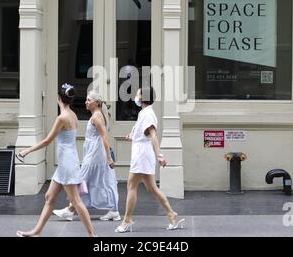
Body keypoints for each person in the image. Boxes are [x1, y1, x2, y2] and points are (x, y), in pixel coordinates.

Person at [16, 84, 97, 237]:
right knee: (49, 197)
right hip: (67, 162)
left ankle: (93, 235)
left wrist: (27, 150)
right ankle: (37, 231)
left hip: (67, 164)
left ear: (58, 99)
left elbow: (47, 141)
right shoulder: (72, 115)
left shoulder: (62, 118)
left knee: (76, 201)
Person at [115, 87, 185, 233]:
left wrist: (160, 156)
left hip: (142, 155)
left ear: (143, 98)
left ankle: (127, 220)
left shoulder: (147, 114)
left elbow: (153, 135)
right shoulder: (145, 113)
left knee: (131, 185)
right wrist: (132, 136)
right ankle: (172, 214)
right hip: (142, 153)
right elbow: (145, 134)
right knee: (152, 188)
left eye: (138, 93)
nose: (135, 95)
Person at [52, 91, 120, 221]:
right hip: (96, 153)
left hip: (95, 154)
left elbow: (104, 136)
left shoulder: (96, 117)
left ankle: (70, 209)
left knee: (82, 179)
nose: (86, 102)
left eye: (88, 100)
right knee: (104, 180)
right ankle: (114, 210)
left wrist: (109, 157)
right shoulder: (98, 115)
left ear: (96, 102)